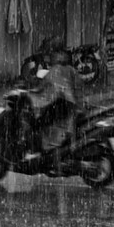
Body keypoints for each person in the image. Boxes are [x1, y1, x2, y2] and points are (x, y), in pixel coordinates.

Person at [29, 38, 82, 170]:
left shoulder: (55, 71)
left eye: (49, 54)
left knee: (36, 123)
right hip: (73, 105)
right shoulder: (70, 69)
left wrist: (30, 93)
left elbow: (44, 90)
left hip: (66, 106)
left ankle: (40, 153)